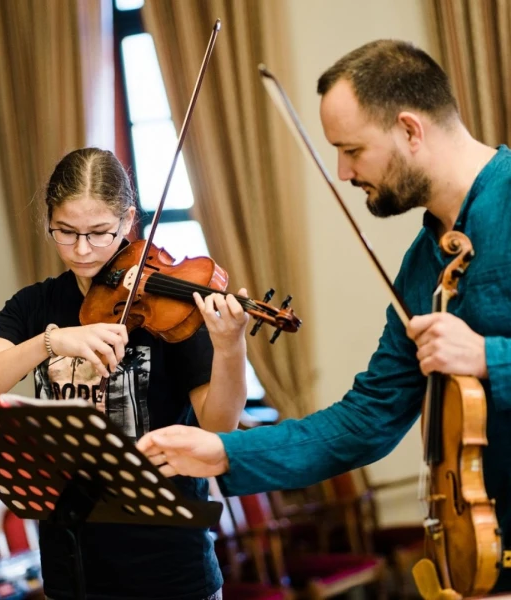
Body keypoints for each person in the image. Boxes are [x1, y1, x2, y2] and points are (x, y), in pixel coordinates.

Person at [136, 39, 511, 593]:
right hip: (482, 545)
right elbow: (366, 420)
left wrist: (488, 357)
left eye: (352, 149)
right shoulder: (421, 266)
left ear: (410, 130)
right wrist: (223, 451)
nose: (342, 171)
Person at [0, 147, 250, 600]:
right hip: (71, 568)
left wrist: (230, 348)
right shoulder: (35, 306)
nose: (83, 249)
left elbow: (219, 424)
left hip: (170, 570)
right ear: (48, 220)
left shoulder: (169, 305)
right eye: (66, 232)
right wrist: (49, 342)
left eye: (99, 233)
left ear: (127, 221)